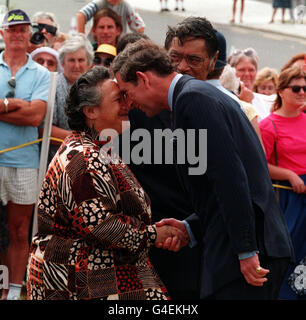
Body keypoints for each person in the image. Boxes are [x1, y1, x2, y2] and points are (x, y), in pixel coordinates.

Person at [112, 38, 294, 300]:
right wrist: (190, 227)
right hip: (241, 246)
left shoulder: (192, 100)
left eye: (126, 93)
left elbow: (230, 178)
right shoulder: (191, 96)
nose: (128, 104)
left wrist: (245, 251)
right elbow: (217, 185)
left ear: (143, 79)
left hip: (248, 253)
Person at [27, 66, 185, 300]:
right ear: (91, 111)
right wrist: (154, 235)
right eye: (118, 99)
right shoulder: (84, 156)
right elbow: (101, 226)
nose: (127, 104)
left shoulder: (96, 148)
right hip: (81, 278)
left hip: (96, 272)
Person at [0, 9, 50, 300]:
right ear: (3, 33)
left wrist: (2, 106)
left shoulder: (42, 72)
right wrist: (15, 103)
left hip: (24, 163)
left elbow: (35, 117)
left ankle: (15, 290)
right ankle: (3, 285)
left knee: (20, 232)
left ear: (29, 32)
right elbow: (28, 111)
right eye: (12, 29)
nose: (18, 34)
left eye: (23, 29)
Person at [259, 66, 306, 300]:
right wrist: (289, 174)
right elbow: (260, 167)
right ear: (282, 91)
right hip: (286, 197)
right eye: (296, 88)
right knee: (289, 253)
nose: (302, 92)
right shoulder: (269, 125)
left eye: (305, 88)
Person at [47, 34, 94, 164]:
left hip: (91, 160)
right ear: (62, 62)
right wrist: (84, 140)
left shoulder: (97, 88)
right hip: (58, 159)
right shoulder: (53, 85)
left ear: (89, 63)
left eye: (81, 60)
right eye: (71, 60)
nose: (76, 65)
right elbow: (45, 130)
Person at [228, 48, 275, 121]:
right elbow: (204, 131)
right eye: (241, 70)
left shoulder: (265, 102)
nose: (247, 74)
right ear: (231, 71)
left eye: (251, 70)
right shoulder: (223, 99)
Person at [77, 0, 145, 35]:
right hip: (96, 42)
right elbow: (81, 15)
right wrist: (81, 37)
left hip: (117, 44)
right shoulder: (99, 3)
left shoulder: (125, 6)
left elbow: (140, 27)